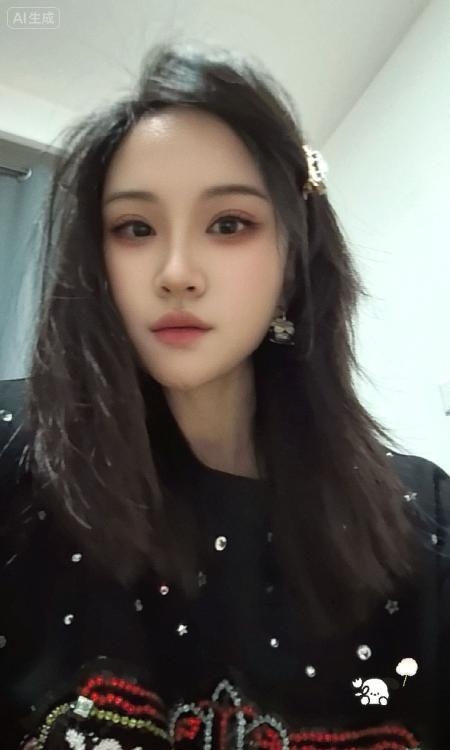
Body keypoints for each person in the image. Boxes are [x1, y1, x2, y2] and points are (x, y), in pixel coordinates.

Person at [0, 40, 449, 750]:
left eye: (229, 224)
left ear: (294, 261)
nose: (177, 272)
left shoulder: (422, 518)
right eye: (135, 228)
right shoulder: (19, 454)